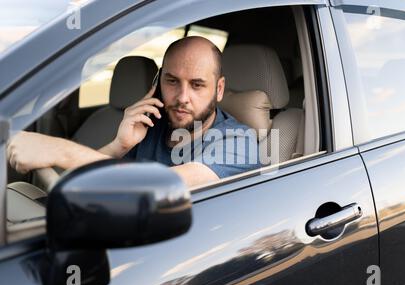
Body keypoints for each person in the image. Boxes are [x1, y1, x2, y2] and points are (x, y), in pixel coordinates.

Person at [7, 36, 261, 188]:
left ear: (218, 90)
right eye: (172, 81)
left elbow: (156, 186)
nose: (182, 98)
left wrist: (57, 150)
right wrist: (119, 145)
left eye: (197, 85)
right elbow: (96, 182)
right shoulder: (152, 128)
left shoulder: (239, 142)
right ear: (157, 83)